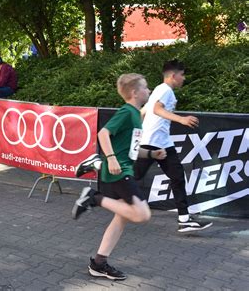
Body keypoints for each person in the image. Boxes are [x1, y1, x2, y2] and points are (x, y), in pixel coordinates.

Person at [72, 73, 167, 280]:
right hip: (119, 171)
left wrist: (151, 154)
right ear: (134, 92)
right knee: (142, 214)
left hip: (124, 168)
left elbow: (132, 150)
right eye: (146, 87)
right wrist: (112, 158)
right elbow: (103, 134)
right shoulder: (126, 112)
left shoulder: (134, 115)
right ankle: (93, 198)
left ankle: (99, 263)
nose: (149, 91)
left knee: (121, 218)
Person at [134, 59, 213, 233]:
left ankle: (184, 219)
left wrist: (135, 133)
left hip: (161, 142)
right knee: (133, 175)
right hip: (152, 142)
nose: (183, 78)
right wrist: (182, 119)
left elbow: (143, 112)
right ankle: (97, 185)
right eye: (182, 75)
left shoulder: (158, 90)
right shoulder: (165, 91)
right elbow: (156, 109)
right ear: (172, 76)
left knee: (177, 177)